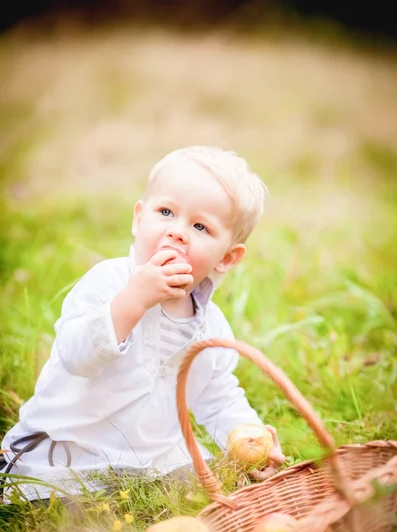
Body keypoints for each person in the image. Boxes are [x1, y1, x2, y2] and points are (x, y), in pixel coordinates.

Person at [0, 145, 285, 503]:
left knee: (205, 491)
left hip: (149, 461)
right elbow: (76, 356)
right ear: (139, 218)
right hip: (68, 451)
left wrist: (247, 437)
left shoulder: (211, 326)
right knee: (62, 504)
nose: (177, 232)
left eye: (200, 226)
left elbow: (219, 396)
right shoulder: (108, 283)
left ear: (227, 258)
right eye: (166, 212)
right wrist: (132, 300)